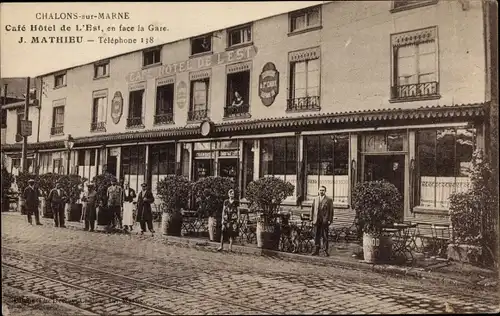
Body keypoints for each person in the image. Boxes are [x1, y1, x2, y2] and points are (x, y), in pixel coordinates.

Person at [310, 185, 334, 256]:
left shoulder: (329, 200)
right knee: (316, 236)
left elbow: (331, 211)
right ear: (318, 191)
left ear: (325, 191)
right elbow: (312, 209)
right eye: (320, 190)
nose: (321, 192)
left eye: (323, 190)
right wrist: (311, 219)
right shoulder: (316, 199)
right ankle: (316, 251)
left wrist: (330, 220)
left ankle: (325, 251)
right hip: (317, 220)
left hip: (324, 221)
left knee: (325, 236)